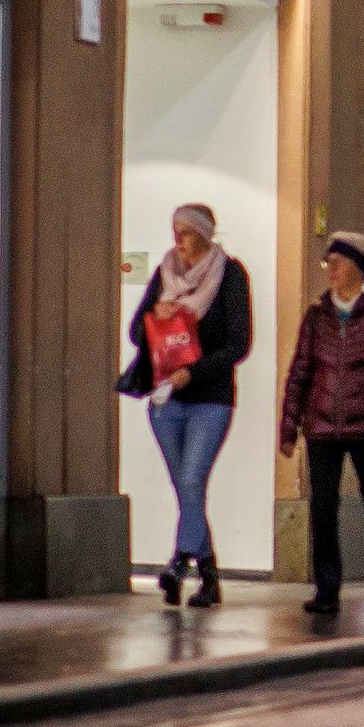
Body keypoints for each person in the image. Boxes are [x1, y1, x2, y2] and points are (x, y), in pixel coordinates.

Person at [120, 202, 250, 609]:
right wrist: (153, 315)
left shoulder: (229, 274)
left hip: (209, 399)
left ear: (205, 235)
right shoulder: (164, 273)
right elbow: (136, 332)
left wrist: (193, 372)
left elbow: (239, 343)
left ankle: (178, 564)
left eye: (187, 231)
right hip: (166, 400)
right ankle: (208, 575)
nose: (179, 238)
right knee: (187, 489)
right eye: (175, 229)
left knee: (192, 481)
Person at [278, 233, 364, 621]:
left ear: (356, 265)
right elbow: (300, 370)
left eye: (336, 261)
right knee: (322, 508)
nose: (330, 269)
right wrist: (289, 426)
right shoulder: (317, 315)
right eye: (328, 263)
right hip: (321, 425)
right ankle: (327, 590)